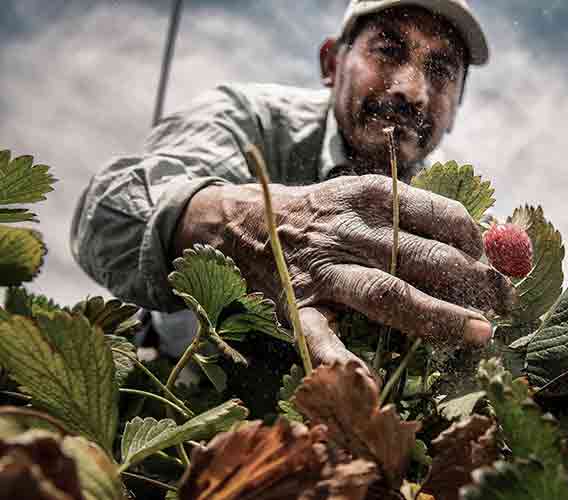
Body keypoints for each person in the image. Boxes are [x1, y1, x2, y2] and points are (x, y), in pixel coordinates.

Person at [70, 0, 514, 383]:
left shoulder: (448, 214)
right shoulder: (250, 119)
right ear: (331, 64)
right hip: (176, 379)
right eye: (388, 50)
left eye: (441, 71)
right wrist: (239, 222)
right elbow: (104, 210)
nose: (411, 90)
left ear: (455, 110)